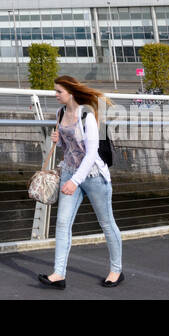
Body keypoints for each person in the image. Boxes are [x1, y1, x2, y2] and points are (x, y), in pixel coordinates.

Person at [36, 75, 124, 289]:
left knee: (107, 223)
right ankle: (58, 274)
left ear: (71, 92)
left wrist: (75, 182)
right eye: (55, 91)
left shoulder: (87, 114)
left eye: (59, 92)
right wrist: (57, 142)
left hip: (93, 176)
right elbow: (71, 150)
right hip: (69, 172)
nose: (55, 95)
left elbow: (91, 152)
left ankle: (116, 270)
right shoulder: (60, 113)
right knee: (63, 223)